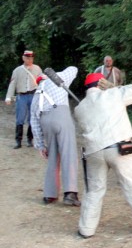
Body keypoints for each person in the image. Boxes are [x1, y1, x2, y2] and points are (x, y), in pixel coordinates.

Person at [74, 73, 132, 239]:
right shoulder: (113, 94)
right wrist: (113, 87)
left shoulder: (79, 109)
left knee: (93, 190)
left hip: (94, 151)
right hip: (118, 148)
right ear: (101, 83)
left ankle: (86, 229)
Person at [30, 66, 81, 206]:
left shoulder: (36, 95)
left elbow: (34, 121)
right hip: (61, 116)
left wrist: (41, 145)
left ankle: (49, 195)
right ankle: (70, 194)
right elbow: (74, 69)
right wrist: (58, 75)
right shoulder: (58, 80)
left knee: (53, 156)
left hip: (45, 121)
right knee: (69, 155)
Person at [5, 50, 42, 149]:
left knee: (32, 118)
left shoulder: (37, 69)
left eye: (31, 58)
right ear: (23, 58)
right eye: (28, 58)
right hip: (21, 96)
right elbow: (12, 84)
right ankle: (18, 141)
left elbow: (42, 82)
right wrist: (8, 97)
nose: (30, 60)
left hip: (33, 95)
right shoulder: (17, 70)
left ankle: (30, 139)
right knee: (20, 119)